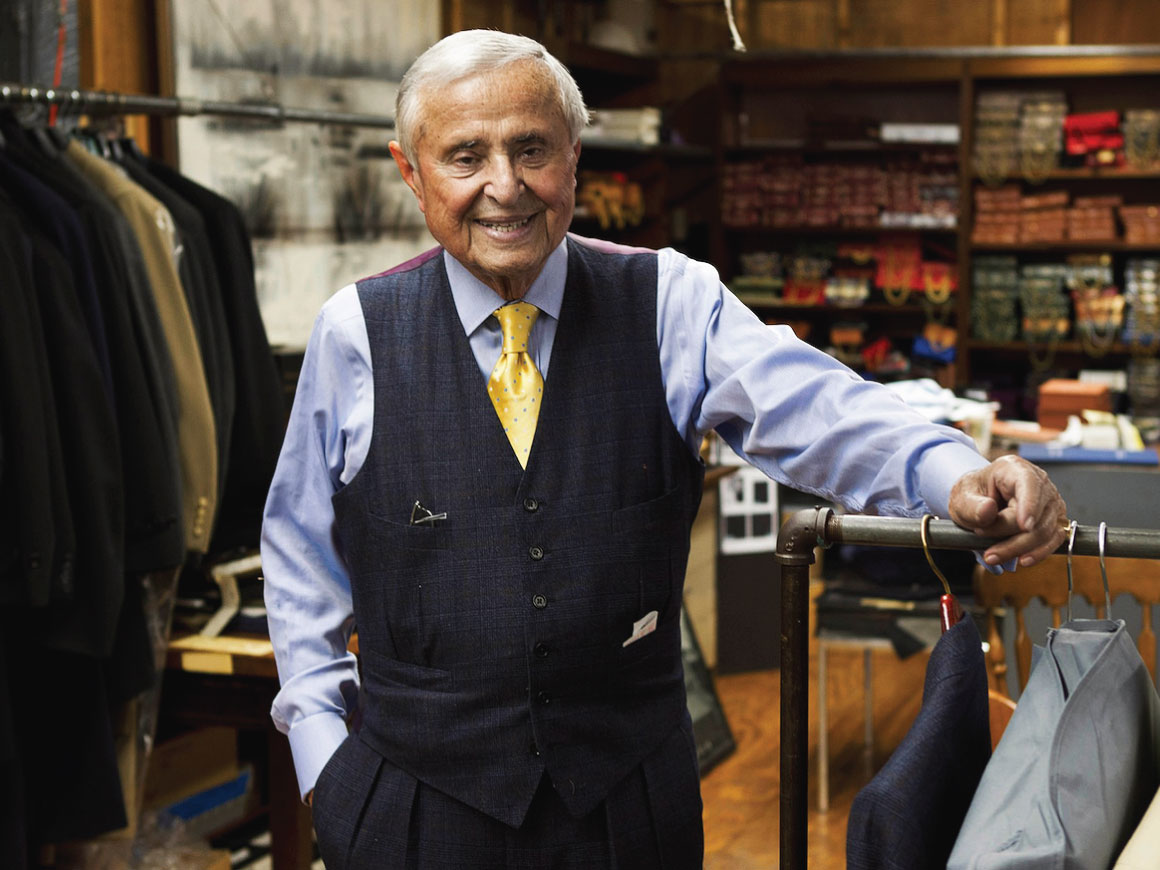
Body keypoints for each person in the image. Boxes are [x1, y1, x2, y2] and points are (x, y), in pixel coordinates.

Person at [260, 29, 1068, 869]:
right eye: (466, 156)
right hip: (414, 814)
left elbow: (821, 408)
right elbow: (298, 555)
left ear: (574, 158)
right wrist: (327, 764)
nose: (505, 187)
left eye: (531, 149)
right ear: (411, 172)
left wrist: (960, 475)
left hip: (629, 811)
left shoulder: (670, 301)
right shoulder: (356, 333)